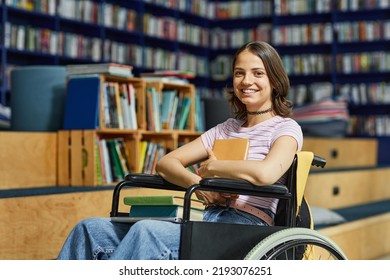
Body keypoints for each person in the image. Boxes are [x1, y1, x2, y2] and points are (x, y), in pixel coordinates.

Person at [57, 41, 303, 260]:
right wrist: (199, 187)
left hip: (247, 225)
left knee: (147, 232)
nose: (246, 81)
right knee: (90, 229)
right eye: (239, 73)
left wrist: (213, 167)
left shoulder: (285, 128)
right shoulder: (225, 129)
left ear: (274, 80)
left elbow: (266, 174)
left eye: (257, 73)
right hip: (207, 217)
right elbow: (166, 163)